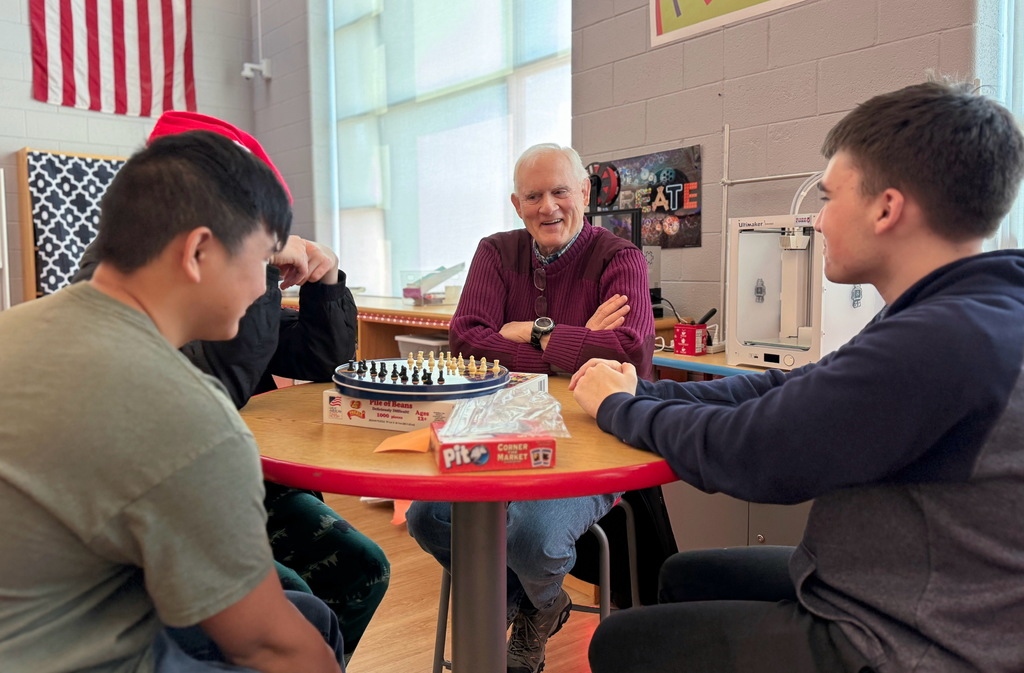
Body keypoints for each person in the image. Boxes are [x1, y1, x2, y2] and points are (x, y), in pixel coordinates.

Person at [571, 79, 1024, 673]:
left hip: (909, 638)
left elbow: (753, 453)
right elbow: (789, 387)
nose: (816, 219)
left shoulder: (943, 339)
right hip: (891, 580)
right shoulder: (971, 306)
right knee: (680, 575)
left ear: (886, 208)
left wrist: (618, 410)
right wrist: (643, 389)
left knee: (620, 642)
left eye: (830, 197)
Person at [0, 130, 345, 672]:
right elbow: (269, 646)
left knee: (307, 610)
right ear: (199, 251)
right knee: (300, 634)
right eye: (261, 262)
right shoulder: (186, 413)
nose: (263, 289)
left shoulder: (16, 326)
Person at [72, 111, 388, 665]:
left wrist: (328, 280)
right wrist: (262, 272)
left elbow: (321, 360)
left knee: (362, 567)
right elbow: (222, 382)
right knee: (300, 611)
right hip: (172, 519)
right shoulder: (120, 295)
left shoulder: (216, 278)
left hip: (241, 488)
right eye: (254, 227)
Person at [406, 143, 655, 673]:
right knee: (428, 517)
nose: (549, 207)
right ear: (516, 204)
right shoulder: (495, 252)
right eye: (534, 196)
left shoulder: (620, 258)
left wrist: (536, 333)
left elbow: (630, 351)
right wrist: (579, 343)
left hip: (592, 443)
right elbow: (467, 343)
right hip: (499, 434)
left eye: (560, 191)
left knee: (532, 534)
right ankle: (543, 605)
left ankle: (516, 606)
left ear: (584, 194)